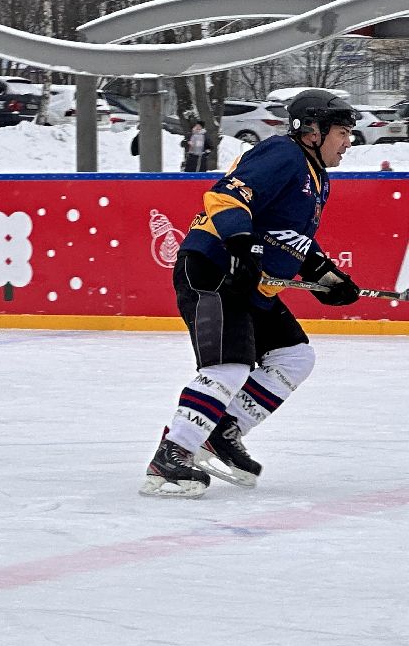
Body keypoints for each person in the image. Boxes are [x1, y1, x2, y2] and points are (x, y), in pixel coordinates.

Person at [141, 89, 360, 498]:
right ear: (312, 130)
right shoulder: (285, 154)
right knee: (229, 365)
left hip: (247, 284)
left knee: (295, 356)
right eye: (343, 131)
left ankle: (222, 431)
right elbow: (227, 195)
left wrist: (328, 277)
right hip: (214, 268)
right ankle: (171, 455)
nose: (349, 140)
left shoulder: (316, 178)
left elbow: (288, 237)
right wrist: (241, 245)